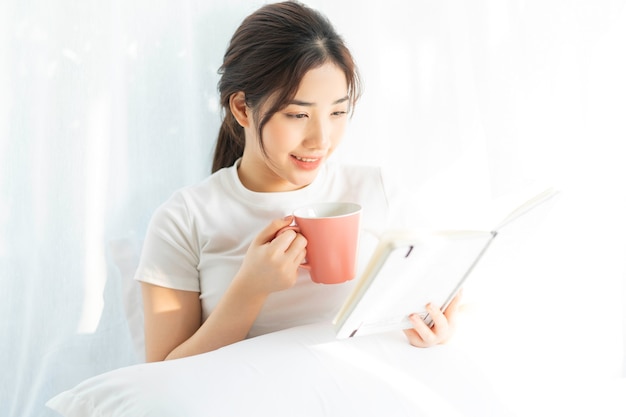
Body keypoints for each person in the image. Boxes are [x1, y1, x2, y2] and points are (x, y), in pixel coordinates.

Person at [136, 0, 462, 362]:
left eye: (338, 111)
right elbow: (161, 375)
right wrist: (250, 289)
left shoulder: (378, 192)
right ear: (243, 108)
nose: (321, 139)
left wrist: (435, 329)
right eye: (298, 114)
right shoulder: (184, 219)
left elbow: (440, 300)